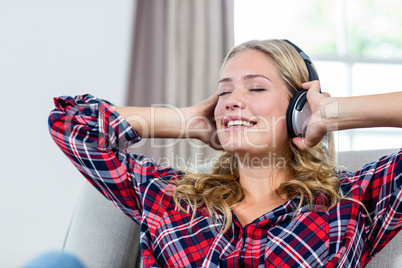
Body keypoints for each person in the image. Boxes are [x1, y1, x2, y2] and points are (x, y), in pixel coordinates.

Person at [48, 39, 402, 267]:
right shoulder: (170, 196)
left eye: (256, 88)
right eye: (224, 92)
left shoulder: (352, 200)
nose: (232, 100)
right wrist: (184, 119)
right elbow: (70, 124)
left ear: (299, 107)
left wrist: (332, 111)